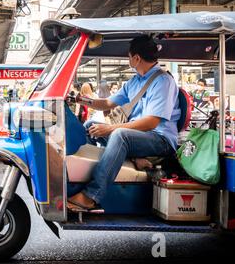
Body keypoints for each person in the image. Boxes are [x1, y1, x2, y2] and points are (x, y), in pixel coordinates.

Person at [67, 35, 181, 212]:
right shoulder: (134, 81)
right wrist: (79, 99)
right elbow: (106, 103)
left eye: (129, 56)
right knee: (91, 125)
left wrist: (110, 129)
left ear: (136, 58)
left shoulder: (163, 81)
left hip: (160, 139)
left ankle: (92, 195)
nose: (128, 60)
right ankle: (83, 180)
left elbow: (151, 122)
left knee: (120, 135)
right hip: (137, 137)